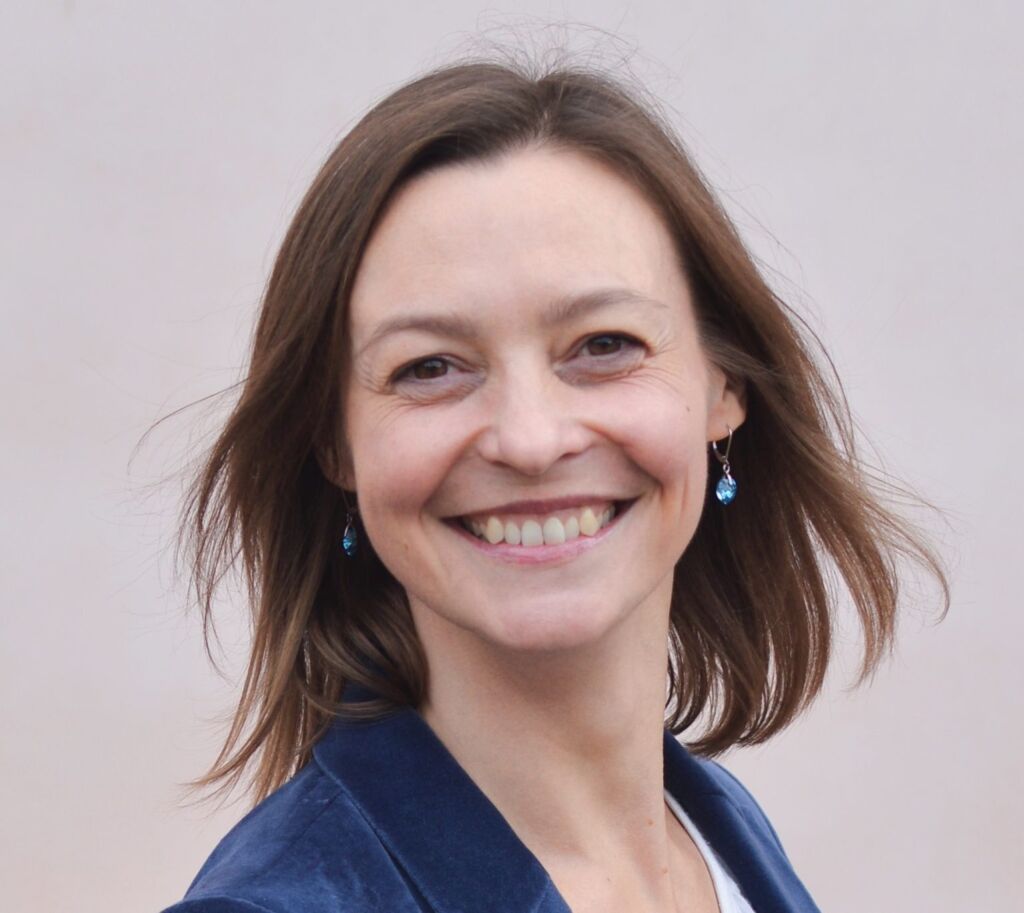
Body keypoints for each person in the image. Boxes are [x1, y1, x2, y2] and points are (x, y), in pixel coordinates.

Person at [160, 53, 948, 913]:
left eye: (604, 345)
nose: (531, 440)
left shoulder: (718, 832)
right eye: (430, 366)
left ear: (724, 387)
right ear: (334, 444)